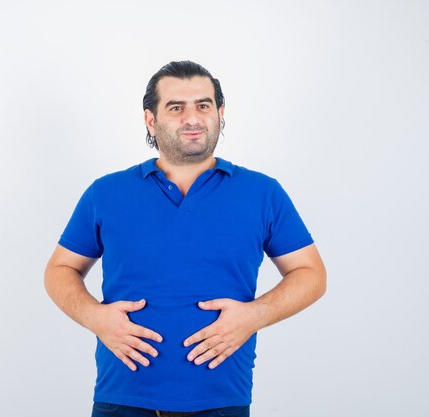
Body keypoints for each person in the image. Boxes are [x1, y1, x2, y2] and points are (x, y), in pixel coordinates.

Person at [44, 60, 327, 417]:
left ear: (220, 113)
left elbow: (311, 273)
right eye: (176, 108)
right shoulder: (106, 193)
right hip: (122, 398)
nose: (192, 119)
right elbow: (60, 268)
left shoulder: (263, 193)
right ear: (151, 119)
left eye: (203, 105)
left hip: (221, 400)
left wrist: (254, 315)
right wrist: (94, 317)